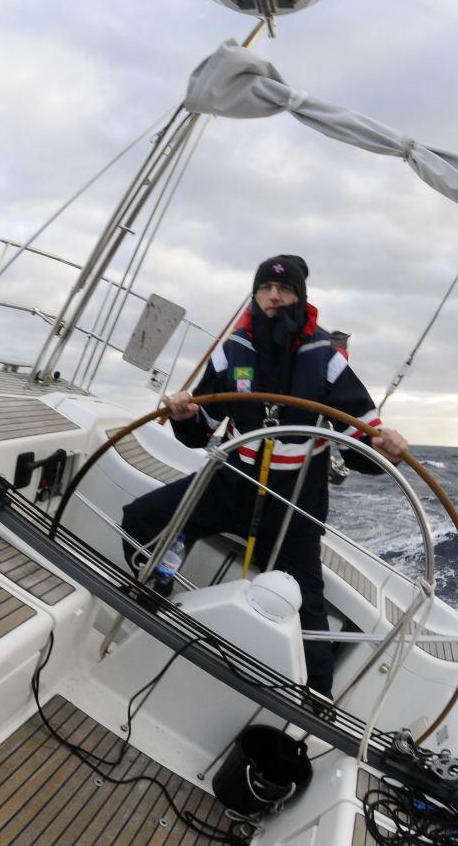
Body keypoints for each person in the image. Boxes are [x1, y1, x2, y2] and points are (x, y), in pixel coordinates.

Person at [122, 254, 408, 698]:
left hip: (295, 502)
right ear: (255, 295)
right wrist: (182, 414)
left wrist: (385, 444)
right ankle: (159, 586)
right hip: (232, 484)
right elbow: (200, 432)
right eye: (265, 289)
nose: (274, 296)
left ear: (299, 297)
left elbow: (361, 445)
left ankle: (316, 703)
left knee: (307, 605)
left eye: (285, 289)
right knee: (143, 517)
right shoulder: (233, 349)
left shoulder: (326, 358)